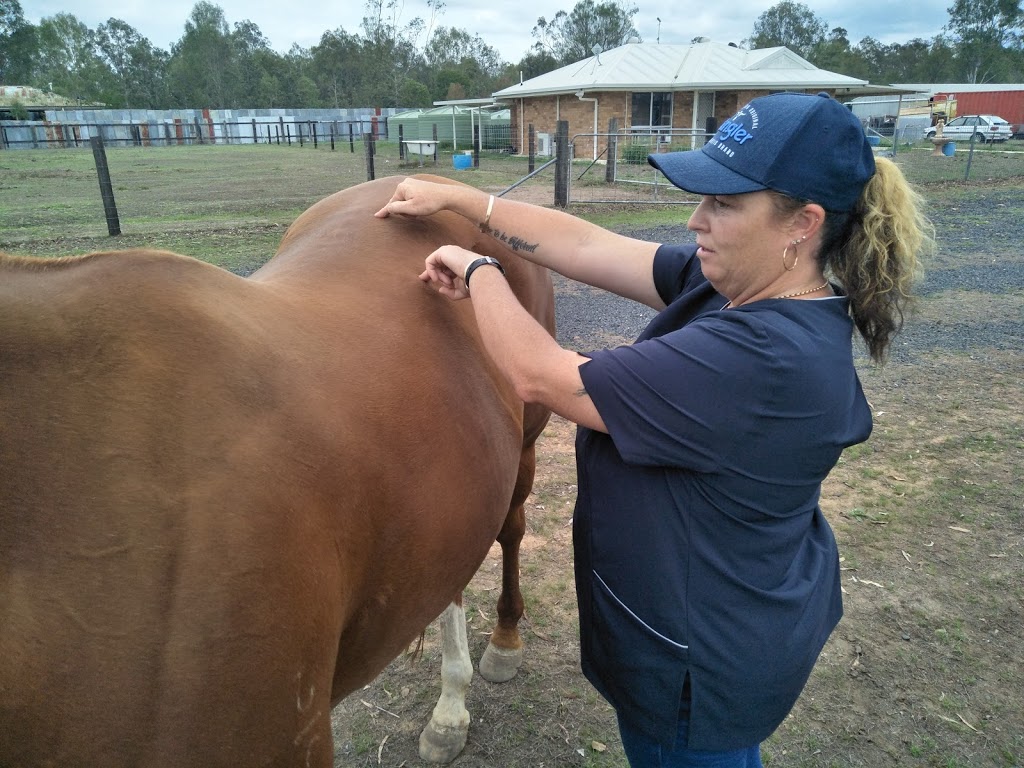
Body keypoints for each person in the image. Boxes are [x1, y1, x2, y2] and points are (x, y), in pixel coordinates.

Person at [375, 91, 931, 767]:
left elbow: (542, 376)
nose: (696, 219)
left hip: (698, 665)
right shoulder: (740, 284)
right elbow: (586, 244)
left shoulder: (761, 358)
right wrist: (466, 202)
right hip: (723, 615)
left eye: (724, 203)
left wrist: (479, 270)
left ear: (802, 223)